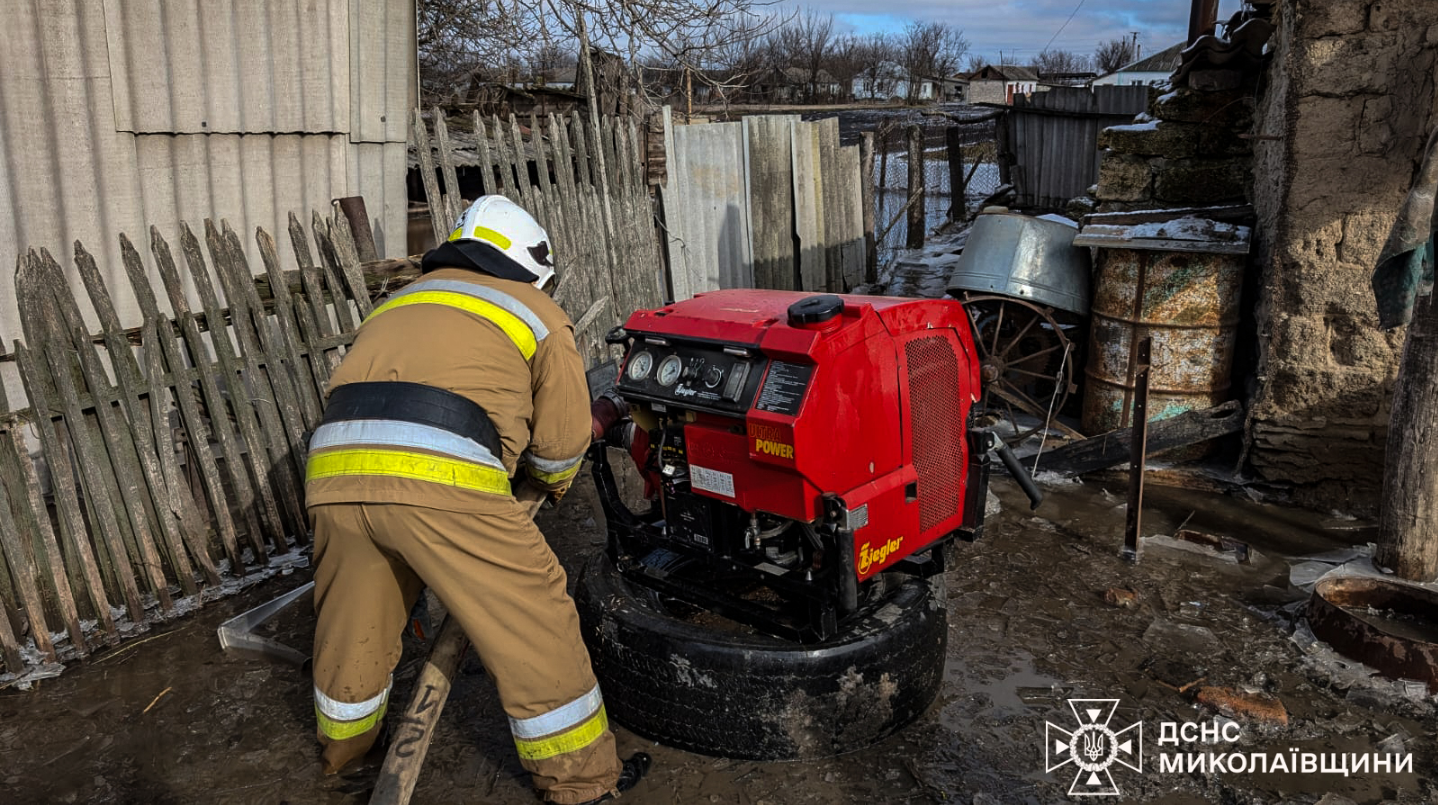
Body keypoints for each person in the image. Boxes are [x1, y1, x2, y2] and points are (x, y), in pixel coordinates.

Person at [305, 195, 650, 804]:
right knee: (533, 611)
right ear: (532, 264)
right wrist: (547, 483)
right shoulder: (537, 311)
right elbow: (562, 442)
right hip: (441, 475)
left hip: (333, 471)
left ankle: (346, 755)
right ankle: (584, 782)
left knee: (353, 622)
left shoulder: (399, 301)